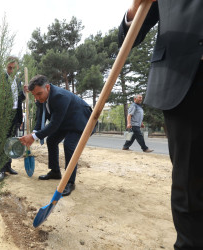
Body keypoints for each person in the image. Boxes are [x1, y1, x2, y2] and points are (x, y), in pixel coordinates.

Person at [119, 1, 203, 248]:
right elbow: (130, 37)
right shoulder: (135, 106)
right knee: (190, 181)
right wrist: (135, 6)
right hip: (186, 79)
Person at [20, 75, 93, 196]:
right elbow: (41, 118)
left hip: (81, 121)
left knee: (69, 145)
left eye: (39, 94)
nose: (37, 98)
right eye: (34, 95)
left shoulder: (59, 96)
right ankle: (55, 172)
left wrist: (33, 137)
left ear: (47, 87)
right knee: (52, 140)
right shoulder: (41, 98)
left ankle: (69, 182)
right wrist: (34, 133)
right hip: (66, 121)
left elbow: (54, 124)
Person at [0, 56, 27, 181]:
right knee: (2, 142)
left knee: (12, 141)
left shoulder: (19, 81)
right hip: (5, 115)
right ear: (6, 67)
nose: (11, 70)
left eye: (14, 68)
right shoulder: (1, 79)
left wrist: (25, 93)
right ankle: (1, 169)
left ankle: (8, 166)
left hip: (15, 115)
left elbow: (20, 99)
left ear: (18, 67)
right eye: (9, 68)